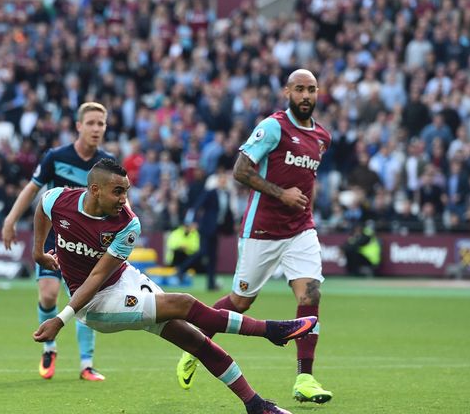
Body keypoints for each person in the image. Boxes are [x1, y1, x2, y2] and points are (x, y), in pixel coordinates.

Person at [32, 159, 315, 414]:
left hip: (124, 281)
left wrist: (59, 318)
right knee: (183, 303)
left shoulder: (127, 225)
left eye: (127, 191)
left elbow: (100, 274)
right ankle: (271, 330)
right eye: (117, 192)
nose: (124, 199)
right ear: (94, 190)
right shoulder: (58, 199)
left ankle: (255, 404)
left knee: (194, 340)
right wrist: (39, 254)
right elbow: (44, 213)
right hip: (95, 306)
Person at [177, 69, 333, 404]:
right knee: (240, 301)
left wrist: (307, 210)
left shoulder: (322, 136)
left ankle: (305, 378)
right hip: (262, 230)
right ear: (287, 92)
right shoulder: (273, 126)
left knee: (311, 294)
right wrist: (281, 195)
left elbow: (308, 182)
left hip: (301, 229)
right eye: (300, 89)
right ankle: (195, 345)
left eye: (312, 90)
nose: (306, 95)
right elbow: (240, 170)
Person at [2, 102, 115, 381]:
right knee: (49, 294)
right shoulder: (56, 157)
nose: (96, 129)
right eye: (91, 123)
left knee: (84, 301)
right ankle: (49, 348)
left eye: (101, 124)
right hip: (55, 236)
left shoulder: (106, 164)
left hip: (88, 242)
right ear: (78, 126)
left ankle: (86, 364)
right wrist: (10, 219)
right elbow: (33, 188)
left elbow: (120, 202)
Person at [179, 171, 234, 290]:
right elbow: (198, 205)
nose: (223, 181)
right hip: (206, 227)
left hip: (216, 229)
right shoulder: (211, 192)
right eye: (221, 179)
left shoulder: (227, 194)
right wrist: (193, 221)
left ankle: (211, 284)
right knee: (203, 252)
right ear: (218, 181)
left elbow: (227, 213)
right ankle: (181, 269)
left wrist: (230, 227)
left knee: (213, 257)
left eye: (225, 179)